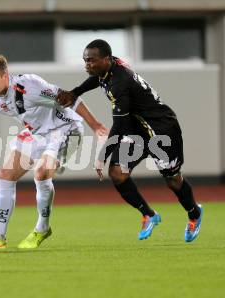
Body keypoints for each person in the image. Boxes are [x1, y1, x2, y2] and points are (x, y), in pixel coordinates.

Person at [0, 55, 108, 250]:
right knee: (5, 175)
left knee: (41, 172)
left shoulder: (30, 85)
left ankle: (42, 228)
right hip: (36, 133)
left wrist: (97, 126)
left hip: (65, 129)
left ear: (5, 76)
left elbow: (70, 98)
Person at [58, 39, 203, 242]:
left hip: (161, 130)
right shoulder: (108, 68)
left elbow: (119, 127)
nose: (87, 65)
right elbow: (97, 79)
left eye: (92, 61)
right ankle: (149, 214)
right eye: (85, 61)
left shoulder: (120, 83)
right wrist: (75, 92)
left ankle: (194, 214)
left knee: (172, 179)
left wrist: (101, 156)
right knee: (118, 173)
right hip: (138, 129)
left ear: (107, 59)